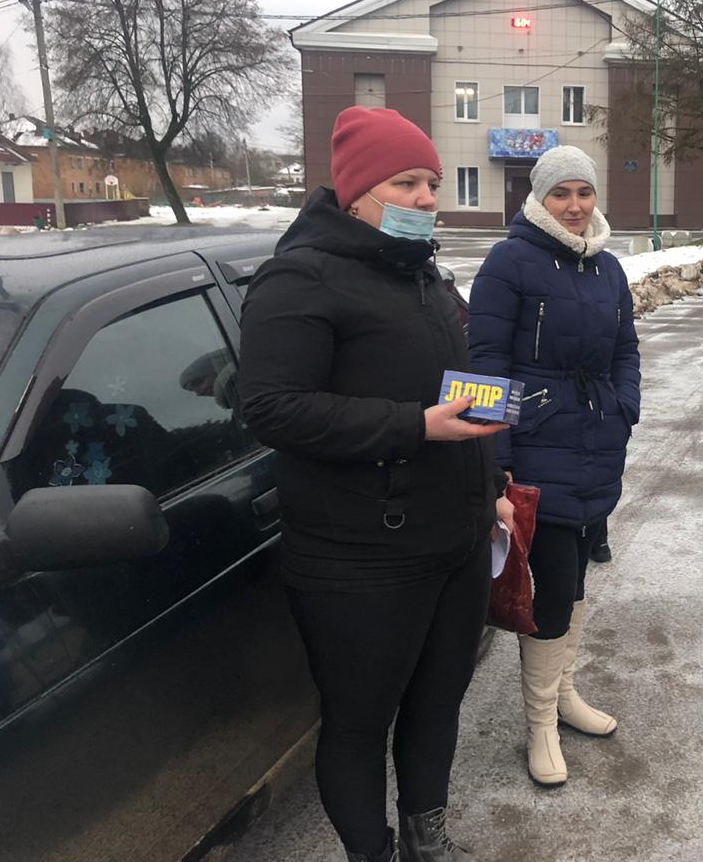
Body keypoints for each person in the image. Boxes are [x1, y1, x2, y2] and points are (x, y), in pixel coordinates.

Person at [239, 106, 512, 862]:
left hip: (453, 538)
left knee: (437, 703)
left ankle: (428, 836)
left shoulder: (422, 275)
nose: (430, 197)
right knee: (360, 721)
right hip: (358, 555)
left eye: (432, 182)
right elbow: (272, 408)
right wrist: (413, 426)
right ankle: (374, 853)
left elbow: (455, 394)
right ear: (357, 193)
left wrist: (492, 483)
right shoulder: (299, 278)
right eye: (408, 182)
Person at [468, 145, 640, 787]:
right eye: (560, 193)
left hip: (597, 442)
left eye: (584, 193)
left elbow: (627, 347)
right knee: (550, 591)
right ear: (538, 198)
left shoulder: (609, 268)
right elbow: (484, 363)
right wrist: (498, 463)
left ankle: (565, 697)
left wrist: (626, 409)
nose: (574, 206)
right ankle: (540, 723)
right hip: (535, 447)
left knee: (574, 585)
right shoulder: (509, 261)